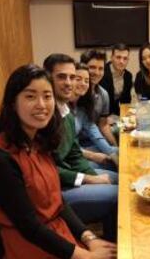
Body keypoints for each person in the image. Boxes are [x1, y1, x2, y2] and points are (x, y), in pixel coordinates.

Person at [0, 64, 116, 259]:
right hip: (32, 250)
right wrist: (87, 257)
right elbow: (29, 227)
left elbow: (58, 202)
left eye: (47, 96)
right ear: (13, 103)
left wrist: (89, 238)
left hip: (59, 238)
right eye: (30, 96)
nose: (42, 104)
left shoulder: (39, 142)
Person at [43, 54, 118, 242]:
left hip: (68, 176)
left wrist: (95, 175)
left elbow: (75, 153)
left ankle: (111, 243)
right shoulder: (46, 117)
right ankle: (114, 248)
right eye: (62, 77)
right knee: (121, 195)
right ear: (47, 78)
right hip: (56, 192)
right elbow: (50, 169)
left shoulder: (66, 111)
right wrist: (90, 179)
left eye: (71, 77)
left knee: (120, 179)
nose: (69, 83)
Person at [73, 60, 118, 171]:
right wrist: (94, 156)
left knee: (124, 154)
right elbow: (68, 147)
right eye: (78, 79)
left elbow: (94, 133)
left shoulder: (82, 108)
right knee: (116, 175)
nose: (83, 84)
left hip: (81, 151)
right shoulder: (63, 109)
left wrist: (112, 151)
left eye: (86, 81)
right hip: (72, 163)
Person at [99, 43, 133, 116]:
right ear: (111, 58)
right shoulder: (101, 73)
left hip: (116, 115)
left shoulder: (128, 76)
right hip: (100, 115)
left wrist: (126, 117)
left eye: (125, 58)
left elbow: (126, 101)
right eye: (118, 57)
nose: (121, 61)